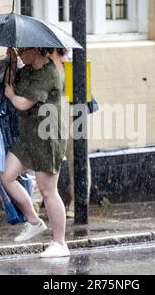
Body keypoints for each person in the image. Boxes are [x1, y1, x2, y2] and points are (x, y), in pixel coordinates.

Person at [2, 47, 69, 258]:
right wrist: (12, 62)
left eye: (22, 51)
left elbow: (22, 103)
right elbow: (11, 83)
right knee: (7, 176)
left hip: (47, 138)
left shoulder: (49, 73)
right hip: (29, 136)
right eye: (19, 51)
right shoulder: (28, 69)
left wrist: (12, 95)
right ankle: (33, 220)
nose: (20, 54)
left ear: (37, 50)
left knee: (48, 191)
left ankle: (59, 243)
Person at [48, 48, 92, 218]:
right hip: (50, 115)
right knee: (43, 157)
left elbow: (82, 88)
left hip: (72, 113)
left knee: (77, 157)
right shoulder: (41, 61)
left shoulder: (71, 61)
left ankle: (79, 200)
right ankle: (37, 201)